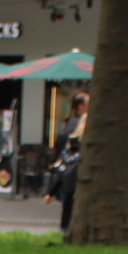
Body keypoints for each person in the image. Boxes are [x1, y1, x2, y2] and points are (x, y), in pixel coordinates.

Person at [54, 91, 87, 237]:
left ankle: (67, 227)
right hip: (72, 167)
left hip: (69, 166)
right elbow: (63, 143)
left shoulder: (69, 121)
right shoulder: (75, 123)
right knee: (70, 198)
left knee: (69, 198)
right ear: (81, 106)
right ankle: (67, 228)